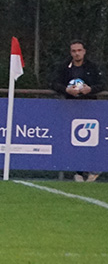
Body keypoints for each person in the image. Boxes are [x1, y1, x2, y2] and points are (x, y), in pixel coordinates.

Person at [50, 39, 105, 182]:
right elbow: (53, 83)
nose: (77, 53)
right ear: (71, 53)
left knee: (91, 140)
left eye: (79, 50)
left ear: (84, 51)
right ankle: (78, 172)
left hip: (90, 108)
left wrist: (90, 89)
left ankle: (93, 170)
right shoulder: (64, 67)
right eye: (74, 51)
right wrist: (66, 90)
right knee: (72, 139)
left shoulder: (92, 67)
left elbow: (102, 84)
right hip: (70, 107)